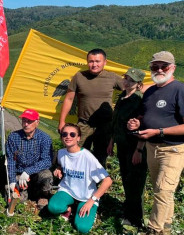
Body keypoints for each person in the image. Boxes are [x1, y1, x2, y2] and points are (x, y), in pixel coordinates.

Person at [127, 51, 184, 235]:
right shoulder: (150, 91)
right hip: (152, 148)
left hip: (173, 149)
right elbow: (145, 117)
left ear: (172, 68)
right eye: (155, 66)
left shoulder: (179, 89)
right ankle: (165, 228)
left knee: (162, 190)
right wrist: (137, 123)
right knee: (163, 192)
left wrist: (159, 131)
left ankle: (153, 229)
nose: (159, 70)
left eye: (164, 66)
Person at [58, 48, 123, 167]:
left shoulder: (112, 77)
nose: (94, 64)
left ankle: (98, 184)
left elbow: (131, 88)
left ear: (105, 62)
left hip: (105, 125)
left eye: (97, 61)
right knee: (76, 155)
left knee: (100, 158)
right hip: (84, 124)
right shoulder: (79, 77)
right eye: (91, 61)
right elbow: (69, 99)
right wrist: (62, 121)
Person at [48, 123, 113, 234]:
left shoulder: (87, 157)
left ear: (78, 138)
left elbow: (108, 181)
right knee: (53, 207)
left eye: (72, 134)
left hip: (86, 196)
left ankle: (86, 209)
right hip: (67, 190)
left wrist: (92, 201)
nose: (68, 137)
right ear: (61, 137)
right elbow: (61, 163)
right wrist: (59, 168)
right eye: (65, 134)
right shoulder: (61, 153)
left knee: (82, 228)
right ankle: (68, 209)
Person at [107, 68, 147, 228]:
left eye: (131, 80)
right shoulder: (123, 96)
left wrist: (139, 150)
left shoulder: (140, 100)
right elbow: (115, 122)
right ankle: (128, 209)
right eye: (126, 78)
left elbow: (144, 126)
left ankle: (136, 219)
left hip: (134, 146)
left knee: (136, 183)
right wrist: (111, 141)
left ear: (138, 84)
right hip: (122, 145)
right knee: (126, 178)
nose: (126, 81)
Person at [6, 109, 53, 209]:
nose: (26, 124)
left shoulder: (45, 138)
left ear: (37, 122)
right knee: (17, 200)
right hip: (20, 174)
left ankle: (43, 196)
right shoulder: (13, 137)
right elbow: (10, 161)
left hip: (37, 173)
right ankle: (24, 193)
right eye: (24, 120)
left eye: (29, 121)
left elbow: (46, 161)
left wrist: (28, 171)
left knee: (47, 176)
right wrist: (12, 180)